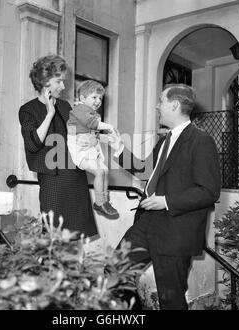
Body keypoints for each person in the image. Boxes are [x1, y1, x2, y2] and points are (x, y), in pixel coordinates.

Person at [116, 83, 221, 310]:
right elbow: (145, 170)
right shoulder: (165, 140)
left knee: (170, 300)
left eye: (161, 101)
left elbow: (209, 191)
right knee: (115, 272)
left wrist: (165, 201)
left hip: (176, 231)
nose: (157, 106)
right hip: (146, 223)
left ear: (174, 105)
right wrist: (117, 148)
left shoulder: (201, 141)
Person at [18, 54, 98, 239]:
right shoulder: (28, 110)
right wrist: (49, 114)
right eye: (59, 81)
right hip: (53, 181)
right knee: (53, 239)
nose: (63, 86)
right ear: (45, 82)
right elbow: (32, 144)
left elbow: (78, 136)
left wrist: (89, 139)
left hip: (75, 177)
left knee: (75, 239)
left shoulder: (65, 106)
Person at [67, 80, 122, 219]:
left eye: (100, 98)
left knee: (105, 171)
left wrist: (106, 138)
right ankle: (99, 202)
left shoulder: (92, 113)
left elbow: (93, 134)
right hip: (80, 150)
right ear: (82, 98)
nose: (98, 101)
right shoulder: (80, 110)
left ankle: (104, 201)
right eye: (94, 97)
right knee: (99, 172)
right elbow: (91, 124)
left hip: (90, 149)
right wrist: (109, 127)